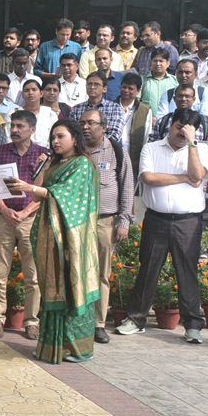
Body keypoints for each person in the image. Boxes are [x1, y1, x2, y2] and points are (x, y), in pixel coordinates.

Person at [8, 118, 100, 363]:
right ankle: (51, 345)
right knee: (52, 287)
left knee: (70, 288)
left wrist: (30, 188)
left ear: (75, 138)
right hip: (51, 235)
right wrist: (45, 167)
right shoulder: (57, 163)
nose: (55, 141)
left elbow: (66, 196)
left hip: (71, 239)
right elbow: (41, 190)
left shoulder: (82, 164)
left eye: (61, 136)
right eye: (53, 137)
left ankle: (76, 348)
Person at [117, 108, 208, 343]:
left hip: (188, 221)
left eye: (188, 128)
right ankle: (136, 319)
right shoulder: (152, 148)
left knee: (187, 271)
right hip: (156, 219)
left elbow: (197, 175)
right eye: (179, 126)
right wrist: (183, 179)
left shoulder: (201, 150)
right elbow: (148, 178)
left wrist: (191, 144)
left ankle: (192, 325)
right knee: (148, 269)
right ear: (170, 125)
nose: (182, 131)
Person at [0, 111, 48, 338]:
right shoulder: (1, 152)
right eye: (13, 125)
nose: (14, 130)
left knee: (33, 274)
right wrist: (4, 209)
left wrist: (24, 213)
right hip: (4, 217)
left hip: (30, 219)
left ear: (32, 129)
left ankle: (31, 321)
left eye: (20, 126)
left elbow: (44, 191)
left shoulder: (43, 155)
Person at [80, 108, 132, 345]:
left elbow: (127, 187)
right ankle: (78, 319)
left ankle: (98, 323)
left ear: (104, 127)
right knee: (76, 272)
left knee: (101, 274)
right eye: (83, 123)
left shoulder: (117, 151)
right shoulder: (74, 150)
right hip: (77, 222)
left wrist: (123, 221)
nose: (86, 127)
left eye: (91, 123)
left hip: (104, 221)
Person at [139, 48, 178, 118]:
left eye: (161, 61)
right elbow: (137, 101)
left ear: (168, 63)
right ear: (151, 63)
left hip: (169, 121)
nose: (158, 64)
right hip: (146, 121)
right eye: (155, 61)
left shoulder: (175, 81)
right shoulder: (142, 80)